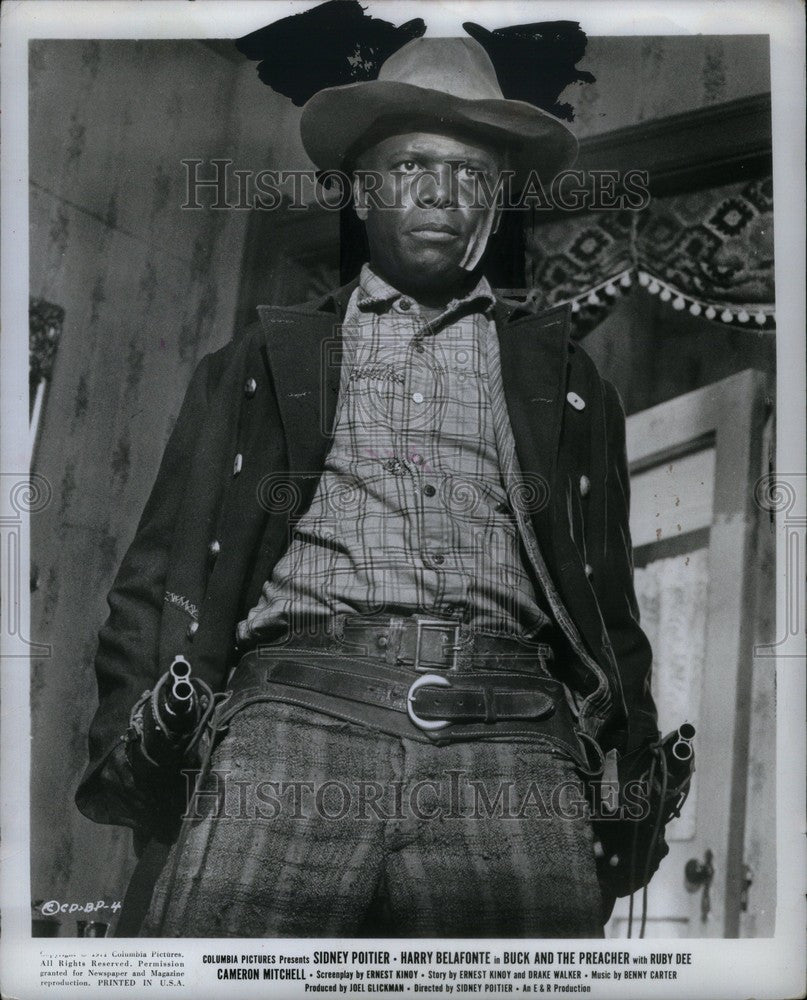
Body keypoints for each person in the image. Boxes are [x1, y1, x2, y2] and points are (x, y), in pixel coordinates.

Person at [77, 36, 663, 938]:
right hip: (289, 721)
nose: (441, 192)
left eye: (470, 174)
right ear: (361, 191)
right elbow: (156, 580)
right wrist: (140, 739)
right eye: (411, 167)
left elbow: (610, 610)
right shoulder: (254, 367)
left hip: (515, 742)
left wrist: (629, 768)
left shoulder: (574, 383)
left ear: (499, 198)